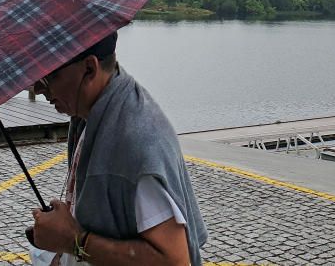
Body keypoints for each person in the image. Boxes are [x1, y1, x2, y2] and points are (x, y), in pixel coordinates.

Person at [28, 31, 207, 266]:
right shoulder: (92, 114)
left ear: (89, 69)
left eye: (50, 76)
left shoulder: (135, 144)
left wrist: (73, 241)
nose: (39, 90)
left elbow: (174, 260)